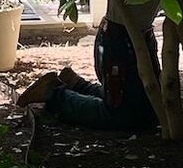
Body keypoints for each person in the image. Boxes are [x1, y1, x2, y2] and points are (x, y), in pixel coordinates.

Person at [16, 13, 160, 132]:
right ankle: (55, 95)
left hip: (130, 35)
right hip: (121, 41)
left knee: (150, 110)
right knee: (123, 117)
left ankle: (78, 85)